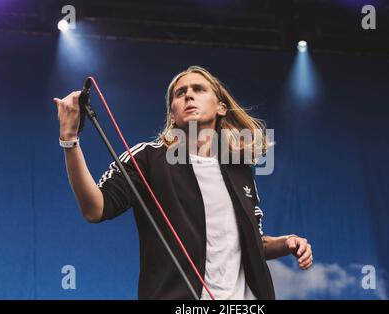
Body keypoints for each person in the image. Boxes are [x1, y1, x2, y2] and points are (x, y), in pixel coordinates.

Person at [53, 66, 313, 300]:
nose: (188, 95)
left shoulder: (239, 170)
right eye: (180, 93)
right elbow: (95, 208)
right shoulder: (147, 158)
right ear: (173, 115)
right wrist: (69, 139)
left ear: (220, 107)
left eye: (198, 89)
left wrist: (287, 242)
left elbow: (249, 242)